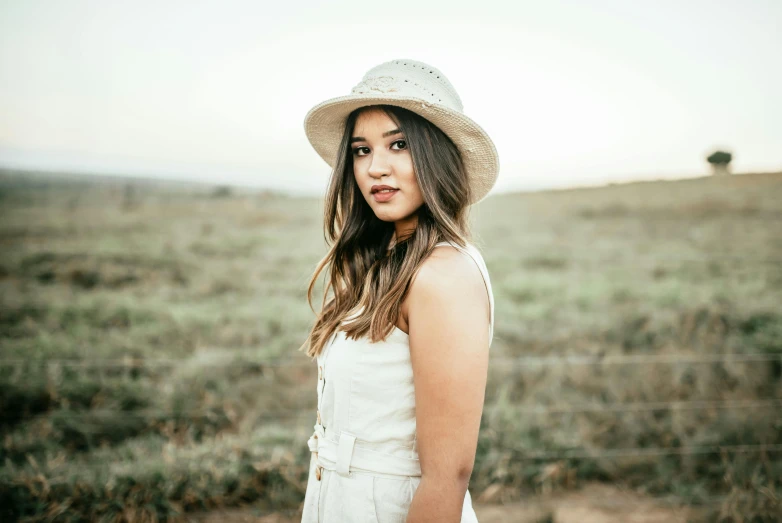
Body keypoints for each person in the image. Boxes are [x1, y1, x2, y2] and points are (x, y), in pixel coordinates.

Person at [298, 58, 499, 523]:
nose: (375, 168)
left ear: (437, 155)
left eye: (399, 144)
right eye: (361, 150)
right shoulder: (383, 261)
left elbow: (447, 476)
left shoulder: (443, 276)